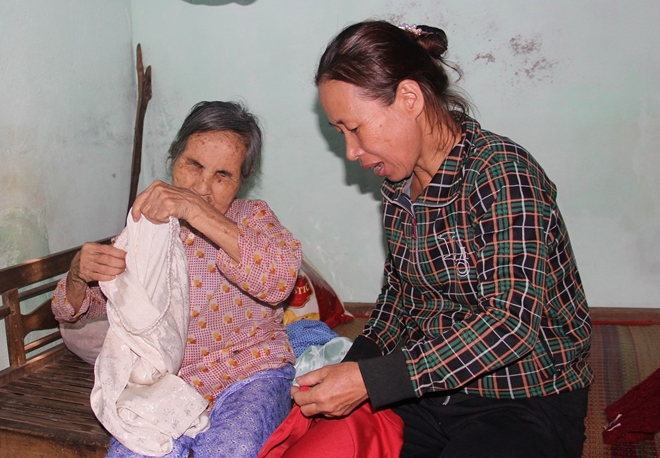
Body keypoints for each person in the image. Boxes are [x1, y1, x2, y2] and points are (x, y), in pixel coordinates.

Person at [289, 20, 593, 458]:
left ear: (409, 99)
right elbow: (401, 294)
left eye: (355, 128)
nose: (351, 151)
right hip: (430, 393)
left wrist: (374, 381)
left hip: (523, 399)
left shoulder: (502, 175)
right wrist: (354, 366)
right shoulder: (399, 188)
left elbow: (510, 325)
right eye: (341, 134)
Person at [52, 101, 302, 458]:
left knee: (232, 449)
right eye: (193, 165)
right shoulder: (149, 229)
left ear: (242, 180)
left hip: (251, 373)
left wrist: (194, 210)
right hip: (169, 386)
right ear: (174, 159)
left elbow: (279, 279)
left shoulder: (253, 218)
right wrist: (79, 274)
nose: (202, 187)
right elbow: (78, 308)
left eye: (222, 175)